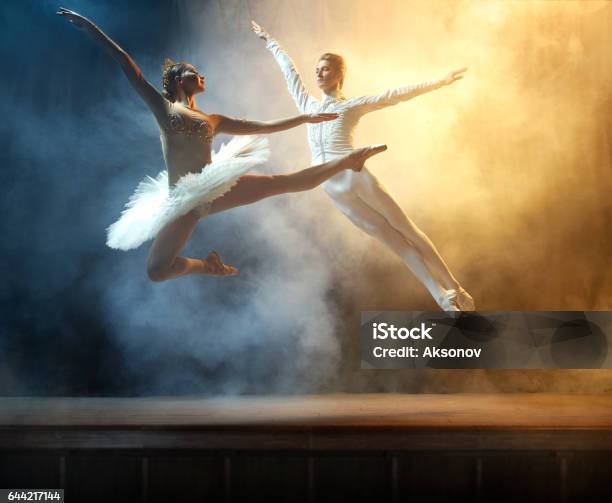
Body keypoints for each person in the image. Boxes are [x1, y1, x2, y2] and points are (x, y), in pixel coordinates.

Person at [57, 8, 386, 282]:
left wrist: (303, 120)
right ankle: (207, 266)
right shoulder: (165, 108)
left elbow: (259, 127)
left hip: (212, 186)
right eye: (195, 72)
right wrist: (90, 27)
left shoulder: (212, 119)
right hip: (184, 199)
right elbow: (127, 64)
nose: (202, 76)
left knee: (284, 183)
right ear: (178, 79)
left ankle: (350, 160)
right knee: (157, 271)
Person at [251, 21, 475, 312]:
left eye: (325, 68)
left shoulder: (351, 105)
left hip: (355, 176)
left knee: (407, 230)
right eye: (317, 68)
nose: (318, 72)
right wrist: (269, 40)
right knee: (394, 242)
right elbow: (288, 71)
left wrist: (439, 81)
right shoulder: (307, 105)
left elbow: (393, 95)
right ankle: (441, 296)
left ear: (340, 74)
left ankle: (455, 286)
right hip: (332, 188)